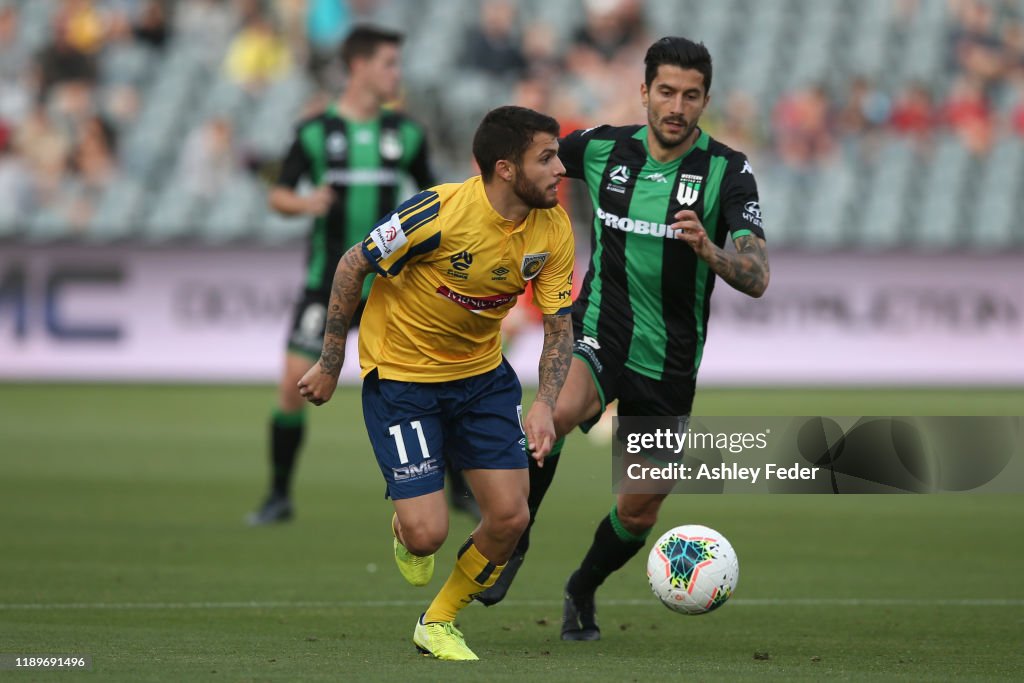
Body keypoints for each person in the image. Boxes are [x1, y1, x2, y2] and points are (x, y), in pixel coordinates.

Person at [474, 37, 771, 643]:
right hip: (599, 331)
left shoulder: (729, 171)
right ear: (644, 91)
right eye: (666, 91)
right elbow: (528, 164)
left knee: (639, 511)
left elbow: (758, 275)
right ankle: (514, 537)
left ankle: (582, 586)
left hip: (670, 362)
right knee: (547, 418)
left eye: (691, 96)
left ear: (704, 100)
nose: (676, 106)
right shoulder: (601, 147)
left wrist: (709, 249)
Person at [297, 105, 575, 661]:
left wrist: (545, 404)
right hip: (404, 380)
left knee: (512, 517)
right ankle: (407, 529)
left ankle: (439, 620)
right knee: (428, 534)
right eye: (546, 157)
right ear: (504, 168)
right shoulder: (437, 212)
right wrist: (330, 363)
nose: (560, 168)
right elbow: (354, 264)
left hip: (481, 381)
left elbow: (559, 325)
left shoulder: (554, 228)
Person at [247, 25, 437, 525]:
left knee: (432, 384)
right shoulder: (315, 133)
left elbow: (436, 201)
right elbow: (278, 193)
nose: (397, 73)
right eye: (388, 64)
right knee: (292, 384)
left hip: (392, 288)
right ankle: (278, 494)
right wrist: (305, 202)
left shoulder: (407, 134)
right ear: (358, 67)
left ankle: (456, 487)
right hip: (325, 285)